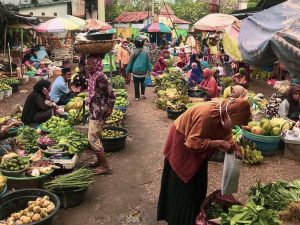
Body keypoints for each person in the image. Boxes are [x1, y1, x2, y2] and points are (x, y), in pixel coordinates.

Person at [157, 98, 251, 225]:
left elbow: (226, 134)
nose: (234, 126)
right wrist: (216, 143)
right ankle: (178, 219)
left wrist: (235, 147)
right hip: (182, 141)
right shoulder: (206, 115)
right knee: (183, 182)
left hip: (196, 145)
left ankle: (194, 215)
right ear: (231, 114)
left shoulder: (224, 114)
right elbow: (191, 143)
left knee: (198, 178)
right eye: (235, 123)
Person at [86, 54, 115, 174]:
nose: (88, 66)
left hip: (99, 110)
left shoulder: (100, 77)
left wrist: (110, 108)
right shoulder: (93, 75)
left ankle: (105, 166)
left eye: (90, 63)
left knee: (92, 137)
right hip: (94, 109)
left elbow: (111, 94)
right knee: (96, 135)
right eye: (88, 63)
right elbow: (82, 67)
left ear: (96, 64)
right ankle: (99, 161)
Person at [126, 36, 152, 100]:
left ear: (135, 43)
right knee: (143, 84)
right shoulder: (146, 51)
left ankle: (137, 97)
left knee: (136, 84)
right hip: (143, 71)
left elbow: (130, 63)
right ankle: (143, 94)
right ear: (143, 43)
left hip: (135, 71)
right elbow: (149, 62)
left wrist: (127, 71)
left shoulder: (133, 52)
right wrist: (149, 70)